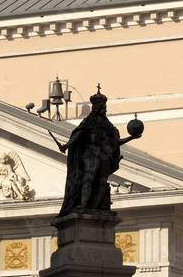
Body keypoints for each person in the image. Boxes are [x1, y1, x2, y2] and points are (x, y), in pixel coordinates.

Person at [56, 87, 140, 216]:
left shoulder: (108, 126)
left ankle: (94, 206)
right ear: (96, 108)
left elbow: (116, 143)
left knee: (101, 182)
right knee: (88, 179)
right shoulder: (89, 122)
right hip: (91, 154)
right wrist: (67, 145)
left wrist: (130, 138)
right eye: (102, 107)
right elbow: (78, 135)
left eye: (104, 107)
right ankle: (83, 204)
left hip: (106, 157)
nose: (104, 110)